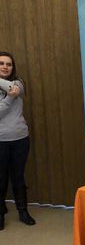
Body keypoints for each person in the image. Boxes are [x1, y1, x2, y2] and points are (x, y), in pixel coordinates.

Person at [0, 51, 35, 230]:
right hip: (1, 141)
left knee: (18, 177)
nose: (5, 67)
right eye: (2, 63)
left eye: (9, 64)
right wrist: (9, 98)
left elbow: (16, 89)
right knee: (1, 178)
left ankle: (23, 211)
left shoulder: (18, 82)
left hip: (20, 139)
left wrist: (11, 94)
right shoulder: (10, 88)